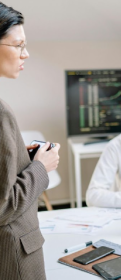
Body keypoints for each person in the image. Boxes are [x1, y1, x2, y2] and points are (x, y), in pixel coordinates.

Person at [0, 3, 60, 279]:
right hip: (13, 252)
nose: (26, 53)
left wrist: (19, 156)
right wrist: (41, 167)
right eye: (18, 45)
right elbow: (3, 206)